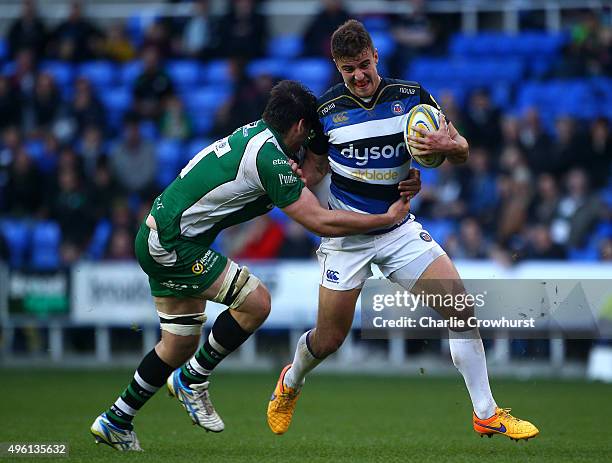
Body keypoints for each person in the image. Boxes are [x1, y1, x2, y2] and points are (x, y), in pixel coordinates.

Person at [89, 80, 418, 451]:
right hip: (172, 244)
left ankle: (117, 418)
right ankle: (192, 379)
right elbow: (320, 222)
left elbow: (301, 177)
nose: (307, 144)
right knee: (256, 302)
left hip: (161, 237)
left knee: (178, 345)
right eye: (306, 135)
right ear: (297, 127)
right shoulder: (269, 159)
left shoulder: (259, 139)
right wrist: (383, 219)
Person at [266, 20, 539, 442]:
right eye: (347, 69)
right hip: (347, 235)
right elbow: (319, 166)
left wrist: (449, 149)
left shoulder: (412, 99)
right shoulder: (326, 111)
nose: (358, 76)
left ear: (375, 55)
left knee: (461, 308)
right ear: (337, 68)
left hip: (397, 227)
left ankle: (485, 413)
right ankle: (292, 380)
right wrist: (300, 179)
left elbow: (461, 149)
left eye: (362, 65)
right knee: (330, 338)